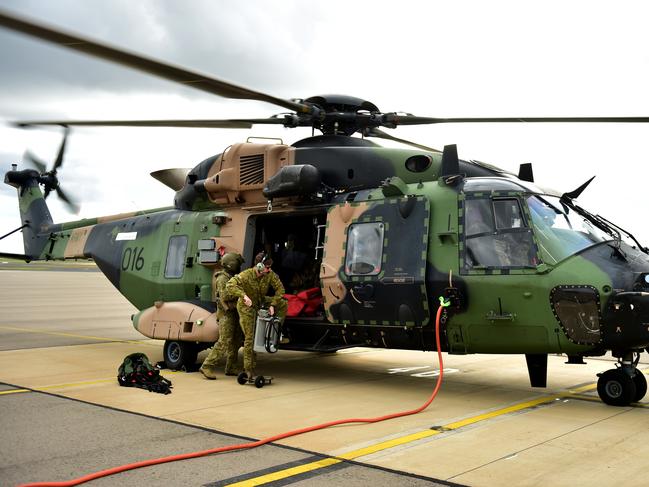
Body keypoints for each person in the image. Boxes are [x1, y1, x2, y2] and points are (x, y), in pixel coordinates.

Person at [226, 252, 288, 380]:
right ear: (259, 266)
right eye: (267, 267)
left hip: (259, 301)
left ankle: (276, 331)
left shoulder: (269, 274)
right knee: (250, 337)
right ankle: (248, 369)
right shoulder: (246, 275)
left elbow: (280, 290)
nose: (269, 269)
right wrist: (243, 296)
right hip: (246, 307)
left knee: (283, 303)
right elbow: (230, 285)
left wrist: (273, 304)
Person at [199, 252, 245, 380]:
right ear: (231, 265)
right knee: (224, 341)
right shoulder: (223, 278)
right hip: (226, 314)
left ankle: (231, 367)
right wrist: (241, 293)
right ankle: (207, 365)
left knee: (235, 341)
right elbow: (225, 296)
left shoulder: (231, 276)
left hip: (234, 313)